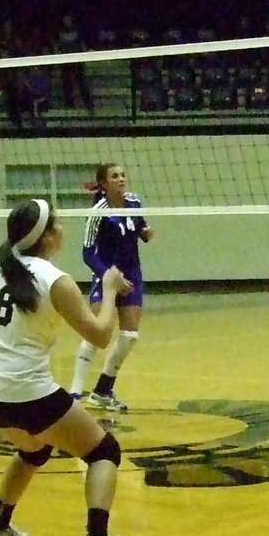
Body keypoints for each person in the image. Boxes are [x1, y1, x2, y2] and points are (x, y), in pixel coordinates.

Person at [0, 198, 141, 536]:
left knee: (34, 450)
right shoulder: (55, 281)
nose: (62, 228)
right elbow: (101, 334)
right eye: (56, 224)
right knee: (104, 451)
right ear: (45, 236)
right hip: (26, 391)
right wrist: (108, 290)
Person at [69, 163, 153, 411]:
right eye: (114, 176)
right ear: (103, 184)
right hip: (106, 276)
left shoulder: (134, 202)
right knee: (96, 334)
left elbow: (139, 228)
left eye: (123, 175)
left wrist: (145, 233)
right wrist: (109, 277)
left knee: (129, 337)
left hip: (133, 275)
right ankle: (74, 392)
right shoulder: (98, 212)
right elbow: (87, 254)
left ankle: (103, 390)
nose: (121, 179)